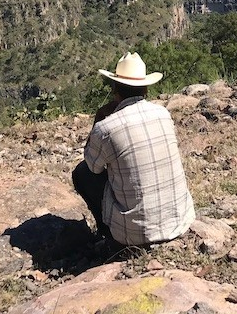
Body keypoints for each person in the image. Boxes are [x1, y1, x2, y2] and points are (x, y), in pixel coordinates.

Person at [72, 52, 195, 249]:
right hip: (180, 220)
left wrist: (99, 118)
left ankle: (109, 234)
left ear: (114, 89)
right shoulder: (163, 114)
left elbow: (92, 166)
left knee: (81, 173)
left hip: (134, 234)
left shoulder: (106, 128)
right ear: (145, 88)